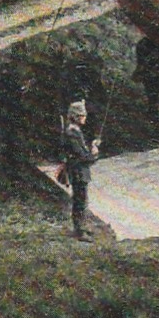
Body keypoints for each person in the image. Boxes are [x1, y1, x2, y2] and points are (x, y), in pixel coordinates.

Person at [60, 100, 99, 242]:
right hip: (78, 171)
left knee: (81, 199)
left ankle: (81, 227)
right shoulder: (72, 133)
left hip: (79, 170)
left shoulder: (75, 132)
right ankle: (80, 230)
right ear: (76, 117)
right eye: (82, 115)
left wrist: (91, 147)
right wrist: (94, 153)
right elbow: (82, 156)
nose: (85, 118)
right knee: (80, 200)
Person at [0, 60, 27, 163]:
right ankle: (9, 157)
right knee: (10, 136)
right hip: (10, 111)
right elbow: (18, 93)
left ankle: (6, 156)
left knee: (6, 136)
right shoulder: (10, 81)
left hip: (5, 110)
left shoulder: (1, 81)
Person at [133, 36, 159, 111]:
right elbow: (140, 62)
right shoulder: (143, 44)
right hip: (150, 72)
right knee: (151, 90)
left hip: (155, 72)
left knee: (153, 90)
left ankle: (153, 107)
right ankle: (152, 107)